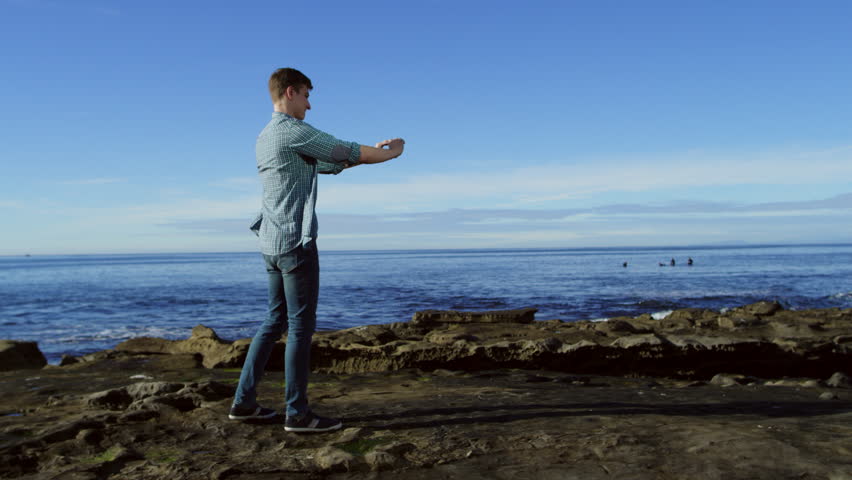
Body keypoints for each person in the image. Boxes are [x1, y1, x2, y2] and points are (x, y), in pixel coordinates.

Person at [228, 68, 405, 433]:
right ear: (290, 92)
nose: (309, 105)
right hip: (295, 242)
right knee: (299, 329)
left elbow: (330, 161)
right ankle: (298, 414)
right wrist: (390, 154)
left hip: (270, 243)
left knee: (273, 321)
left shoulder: (265, 136)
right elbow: (344, 150)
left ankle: (243, 403)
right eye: (307, 96)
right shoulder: (294, 131)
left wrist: (359, 156)